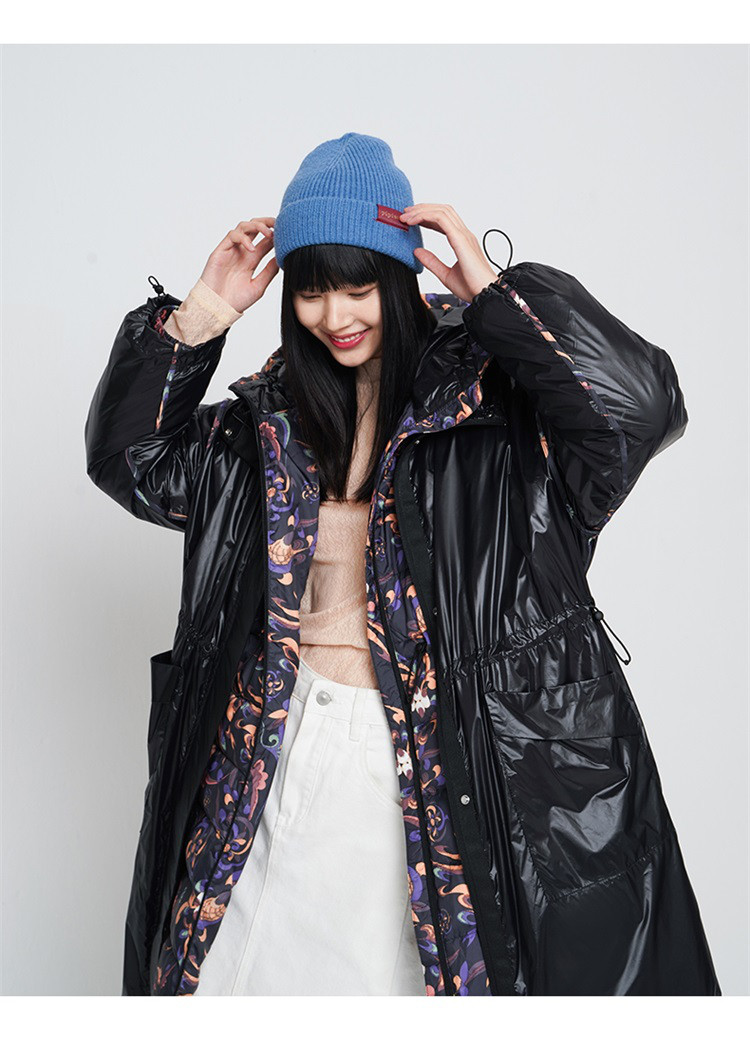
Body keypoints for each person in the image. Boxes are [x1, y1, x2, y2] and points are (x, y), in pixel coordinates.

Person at [85, 132, 721, 997]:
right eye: (312, 291)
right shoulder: (267, 424)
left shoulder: (499, 412)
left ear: (397, 275)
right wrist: (201, 314)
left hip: (441, 769)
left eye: (358, 287)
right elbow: (132, 462)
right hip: (276, 747)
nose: (336, 315)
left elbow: (638, 410)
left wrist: (496, 295)